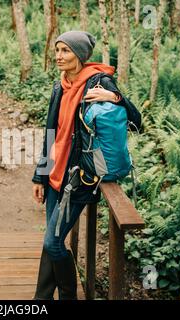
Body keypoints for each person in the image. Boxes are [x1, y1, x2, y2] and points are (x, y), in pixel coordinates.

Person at [31, 30, 141, 300]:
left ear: (80, 54)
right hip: (55, 175)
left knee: (53, 242)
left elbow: (137, 121)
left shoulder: (99, 82)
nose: (58, 56)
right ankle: (41, 299)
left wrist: (116, 99)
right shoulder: (61, 84)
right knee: (51, 240)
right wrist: (40, 176)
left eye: (65, 51)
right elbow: (50, 131)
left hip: (79, 178)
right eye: (56, 50)